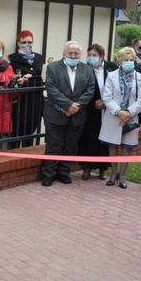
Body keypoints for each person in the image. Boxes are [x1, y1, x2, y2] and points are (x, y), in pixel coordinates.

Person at [41, 41, 95, 186]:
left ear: (80, 54)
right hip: (55, 114)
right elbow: (51, 89)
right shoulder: (52, 67)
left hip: (77, 115)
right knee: (53, 146)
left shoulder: (87, 70)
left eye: (76, 53)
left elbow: (90, 90)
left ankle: (64, 173)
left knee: (70, 147)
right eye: (70, 53)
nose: (73, 55)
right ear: (64, 53)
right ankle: (49, 174)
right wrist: (68, 105)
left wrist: (75, 107)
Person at [99, 47, 141, 188]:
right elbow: (107, 97)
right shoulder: (111, 76)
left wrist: (128, 113)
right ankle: (113, 173)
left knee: (127, 147)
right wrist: (119, 112)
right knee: (113, 145)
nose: (129, 62)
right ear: (119, 61)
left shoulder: (140, 78)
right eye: (126, 60)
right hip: (114, 116)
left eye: (131, 60)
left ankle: (123, 175)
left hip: (131, 117)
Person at [78, 44, 116, 180]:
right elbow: (81, 89)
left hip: (108, 110)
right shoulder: (84, 69)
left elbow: (116, 87)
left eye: (95, 55)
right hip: (90, 109)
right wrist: (93, 102)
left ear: (101, 56)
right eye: (89, 55)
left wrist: (106, 102)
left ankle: (103, 169)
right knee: (89, 138)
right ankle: (86, 168)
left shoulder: (111, 68)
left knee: (104, 140)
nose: (91, 58)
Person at [8, 30, 45, 148]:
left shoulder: (39, 57)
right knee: (16, 135)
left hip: (36, 101)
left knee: (29, 136)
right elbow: (10, 78)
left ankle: (26, 161)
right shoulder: (12, 59)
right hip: (20, 103)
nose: (27, 44)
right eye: (23, 42)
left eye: (29, 42)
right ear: (18, 43)